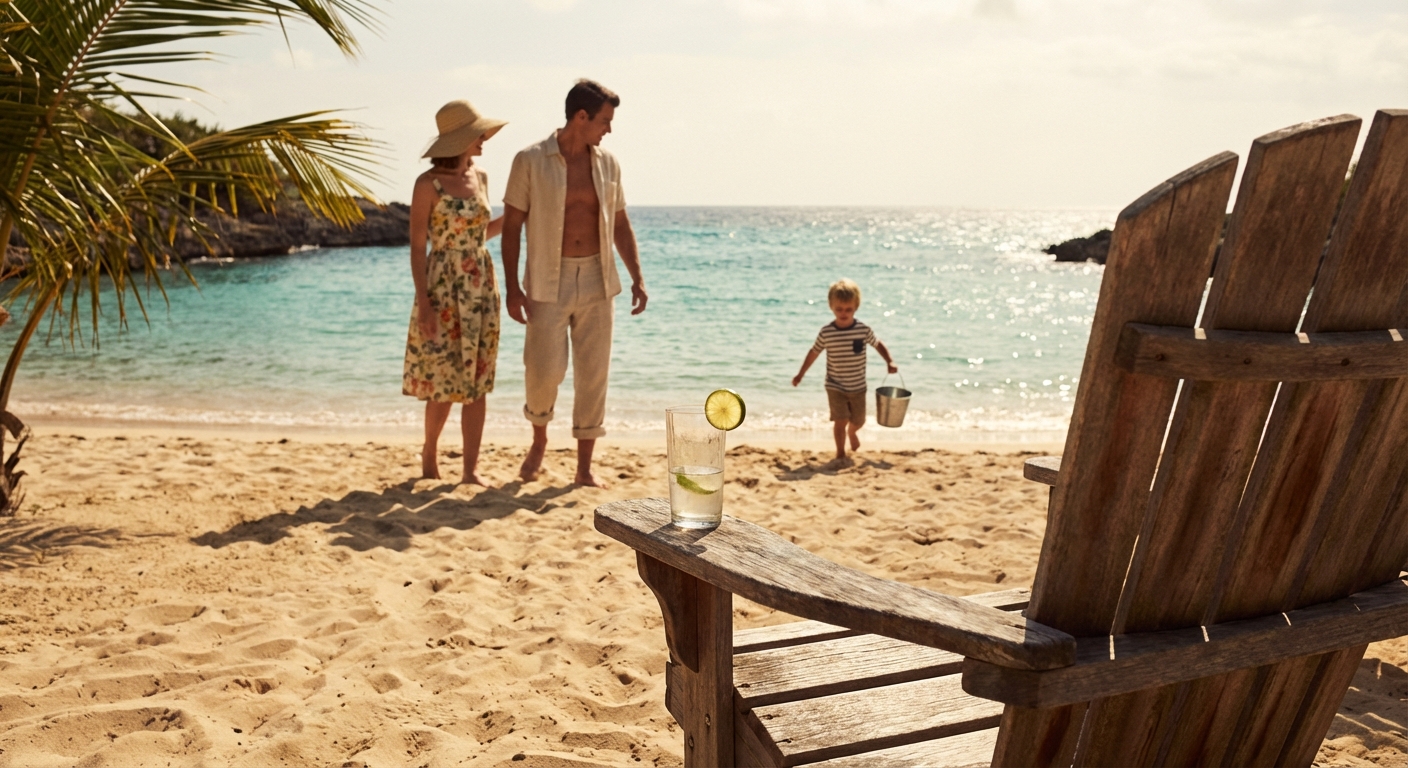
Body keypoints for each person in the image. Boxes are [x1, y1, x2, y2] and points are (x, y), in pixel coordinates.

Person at [501, 79, 647, 488]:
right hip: (548, 278)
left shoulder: (608, 163)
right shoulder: (529, 160)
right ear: (581, 117)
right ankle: (539, 439)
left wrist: (637, 276)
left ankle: (584, 467)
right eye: (604, 120)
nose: (609, 129)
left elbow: (619, 222)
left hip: (599, 279)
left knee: (593, 375)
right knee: (543, 371)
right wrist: (513, 287)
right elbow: (512, 228)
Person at [403, 99, 507, 486]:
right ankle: (429, 453)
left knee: (478, 382)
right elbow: (417, 248)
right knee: (443, 381)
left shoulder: (480, 178)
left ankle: (470, 470)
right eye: (478, 134)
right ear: (461, 140)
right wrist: (425, 305)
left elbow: (480, 234)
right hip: (443, 288)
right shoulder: (426, 184)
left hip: (481, 286)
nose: (484, 140)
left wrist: (516, 216)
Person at [792, 278, 898, 469]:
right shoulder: (826, 332)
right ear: (831, 306)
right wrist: (801, 374)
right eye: (839, 309)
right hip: (835, 386)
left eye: (848, 309)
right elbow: (814, 352)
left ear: (855, 307)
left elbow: (878, 344)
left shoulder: (862, 330)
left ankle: (853, 433)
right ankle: (840, 453)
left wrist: (889, 361)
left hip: (858, 386)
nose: (843, 313)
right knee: (840, 420)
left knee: (859, 420)